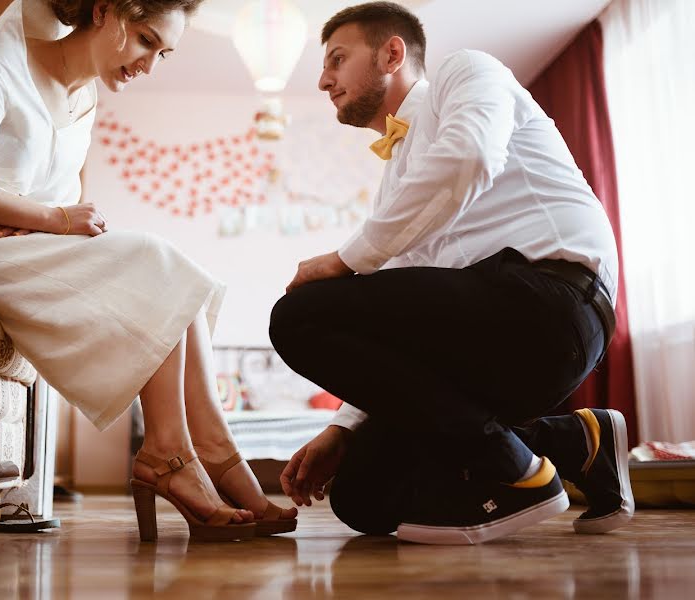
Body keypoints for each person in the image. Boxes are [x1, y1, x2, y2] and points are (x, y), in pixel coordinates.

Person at [0, 0, 296, 541]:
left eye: (162, 52)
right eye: (145, 40)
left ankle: (205, 447)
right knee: (152, 260)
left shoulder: (84, 95)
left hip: (22, 246)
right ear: (103, 11)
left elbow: (53, 196)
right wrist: (45, 216)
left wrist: (36, 217)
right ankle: (178, 452)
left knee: (172, 275)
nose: (149, 64)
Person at [269, 1, 633, 545]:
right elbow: (388, 330)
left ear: (392, 53)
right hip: (483, 342)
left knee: (298, 315)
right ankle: (575, 441)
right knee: (362, 496)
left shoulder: (465, 72)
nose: (324, 80)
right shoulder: (397, 182)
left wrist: (343, 261)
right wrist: (341, 428)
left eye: (337, 60)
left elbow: (467, 156)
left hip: (552, 306)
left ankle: (519, 472)